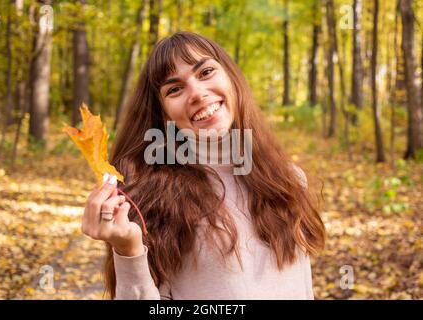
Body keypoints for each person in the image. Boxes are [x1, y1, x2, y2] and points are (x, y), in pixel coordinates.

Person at [81, 31, 326, 300]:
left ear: (231, 78)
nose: (197, 93)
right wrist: (128, 250)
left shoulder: (289, 178)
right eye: (175, 89)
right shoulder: (152, 201)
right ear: (163, 115)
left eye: (206, 72)